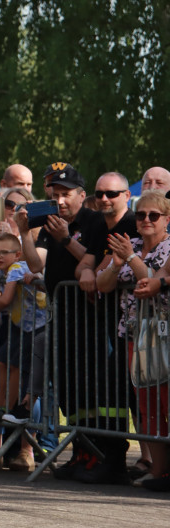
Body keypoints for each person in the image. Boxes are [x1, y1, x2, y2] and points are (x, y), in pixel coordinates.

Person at [19, 164, 129, 484]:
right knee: (71, 390)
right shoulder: (51, 224)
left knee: (98, 390)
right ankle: (82, 451)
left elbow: (91, 260)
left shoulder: (95, 222)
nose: (60, 201)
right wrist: (26, 231)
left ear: (82, 195)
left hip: (92, 318)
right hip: (63, 317)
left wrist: (66, 238)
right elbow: (36, 263)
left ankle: (108, 456)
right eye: (54, 195)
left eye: (66, 195)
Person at [96, 190, 170, 490]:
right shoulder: (130, 243)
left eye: (154, 215)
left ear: (167, 219)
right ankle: (159, 470)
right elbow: (102, 283)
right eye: (140, 215)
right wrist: (116, 263)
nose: (146, 220)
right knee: (146, 404)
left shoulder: (167, 247)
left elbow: (151, 280)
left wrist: (129, 257)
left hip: (164, 331)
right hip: (134, 333)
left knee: (166, 401)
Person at [0, 233, 49, 472]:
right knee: (0, 365)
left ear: (17, 254)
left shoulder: (17, 267)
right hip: (17, 326)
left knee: (23, 377)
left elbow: (5, 299)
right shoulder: (1, 269)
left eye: (3, 252)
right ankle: (1, 407)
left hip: (35, 328)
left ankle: (26, 447)